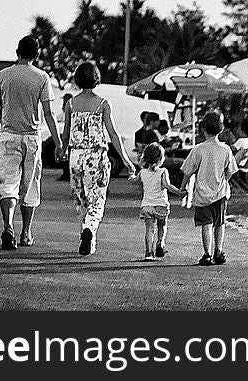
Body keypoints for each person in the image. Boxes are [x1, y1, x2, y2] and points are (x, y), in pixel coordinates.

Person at [0, 36, 63, 250]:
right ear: (36, 55)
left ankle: (8, 225)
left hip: (7, 136)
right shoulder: (42, 77)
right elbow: (48, 113)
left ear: (17, 52)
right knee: (30, 186)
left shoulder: (3, 76)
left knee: (8, 184)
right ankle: (26, 233)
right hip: (32, 138)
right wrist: (58, 142)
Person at [62, 61, 136, 256]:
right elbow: (113, 134)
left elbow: (66, 132)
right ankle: (89, 228)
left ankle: (86, 239)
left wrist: (61, 150)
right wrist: (126, 161)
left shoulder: (70, 104)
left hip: (76, 155)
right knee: (97, 199)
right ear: (97, 79)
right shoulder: (103, 104)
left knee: (81, 199)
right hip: (97, 156)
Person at [180, 111, 238, 266]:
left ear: (203, 128)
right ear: (221, 129)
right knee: (220, 223)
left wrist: (183, 186)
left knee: (206, 224)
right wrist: (224, 180)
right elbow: (230, 171)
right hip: (220, 193)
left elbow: (188, 170)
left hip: (202, 194)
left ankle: (207, 254)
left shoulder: (198, 149)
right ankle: (218, 251)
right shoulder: (226, 149)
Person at [133, 143, 180, 261]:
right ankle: (160, 243)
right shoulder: (163, 171)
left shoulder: (143, 172)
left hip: (147, 205)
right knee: (162, 226)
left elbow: (134, 180)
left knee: (149, 229)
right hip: (161, 204)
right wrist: (179, 192)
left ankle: (149, 253)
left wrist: (131, 174)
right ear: (160, 159)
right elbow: (167, 185)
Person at [57, 93, 74, 182]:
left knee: (65, 157)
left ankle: (66, 174)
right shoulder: (72, 109)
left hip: (67, 137)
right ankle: (67, 173)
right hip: (70, 138)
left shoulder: (67, 111)